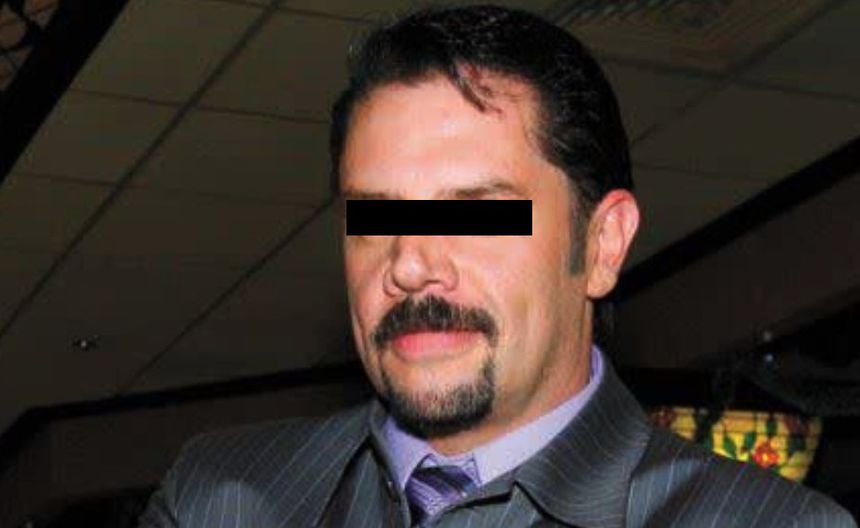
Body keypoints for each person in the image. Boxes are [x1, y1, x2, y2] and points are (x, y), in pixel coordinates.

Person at [138, 5, 856, 527]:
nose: (410, 262)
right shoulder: (221, 500)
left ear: (601, 245)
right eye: (374, 217)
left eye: (477, 211)